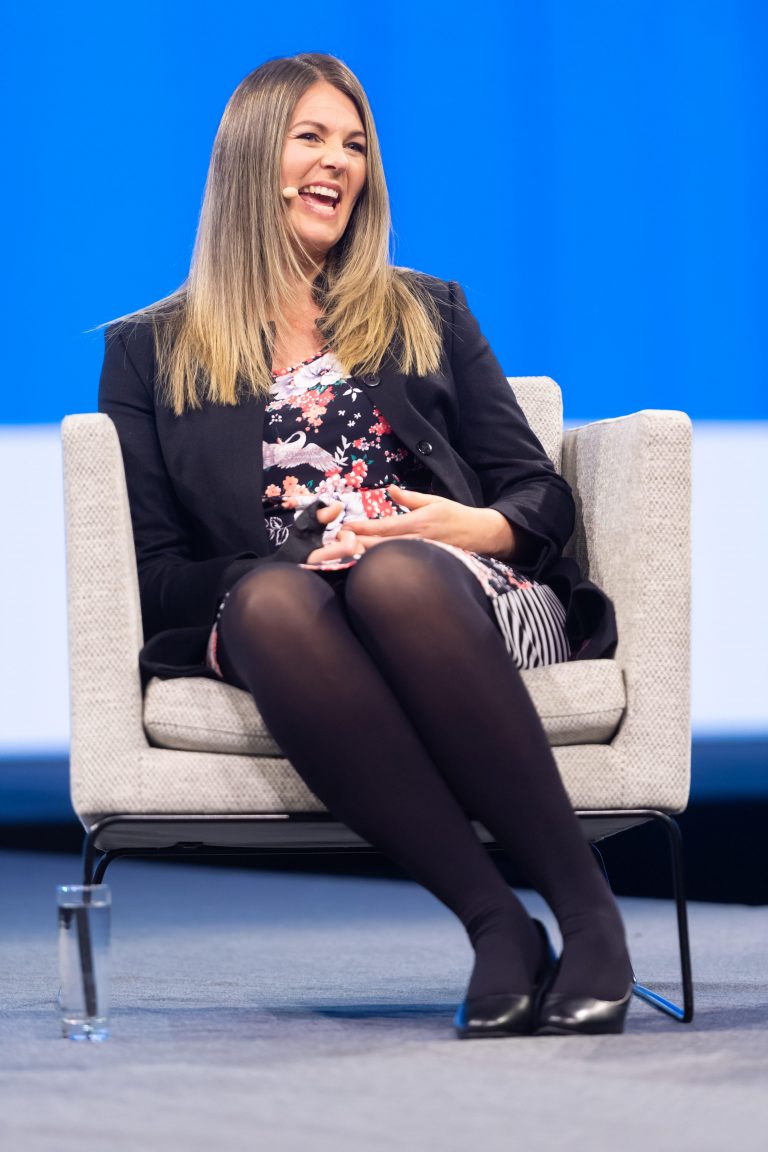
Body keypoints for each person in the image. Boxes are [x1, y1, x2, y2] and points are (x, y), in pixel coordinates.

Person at [99, 52, 634, 1038]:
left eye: (355, 145)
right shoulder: (148, 352)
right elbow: (157, 576)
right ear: (252, 157)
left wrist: (455, 525)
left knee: (394, 575)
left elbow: (539, 495)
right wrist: (290, 557)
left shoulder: (427, 311)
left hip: (458, 595)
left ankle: (591, 915)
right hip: (292, 622)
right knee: (268, 601)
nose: (338, 163)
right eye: (311, 138)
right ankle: (495, 926)